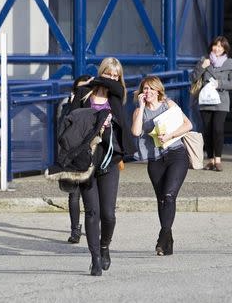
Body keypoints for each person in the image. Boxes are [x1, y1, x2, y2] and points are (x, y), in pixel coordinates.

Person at [70, 57, 136, 276]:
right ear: (102, 72)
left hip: (109, 159)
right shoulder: (83, 94)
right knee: (92, 212)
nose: (113, 78)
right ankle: (95, 258)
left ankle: (105, 246)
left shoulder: (117, 95)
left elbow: (115, 88)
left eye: (117, 75)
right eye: (109, 73)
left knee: (108, 214)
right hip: (86, 160)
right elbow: (69, 121)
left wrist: (108, 122)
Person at [131, 76, 192, 256]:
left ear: (158, 90)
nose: (147, 92)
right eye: (145, 89)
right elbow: (135, 132)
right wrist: (141, 108)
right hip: (155, 159)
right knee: (161, 201)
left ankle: (161, 238)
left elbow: (188, 124)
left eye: (151, 88)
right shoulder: (138, 111)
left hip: (176, 154)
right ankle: (168, 242)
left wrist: (171, 135)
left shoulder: (169, 104)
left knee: (169, 195)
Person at [192, 36, 232, 171]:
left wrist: (220, 84)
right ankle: (210, 160)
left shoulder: (230, 63)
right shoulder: (204, 60)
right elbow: (194, 78)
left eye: (220, 46)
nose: (217, 48)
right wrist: (202, 67)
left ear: (225, 49)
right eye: (215, 45)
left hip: (221, 100)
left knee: (217, 129)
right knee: (207, 130)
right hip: (205, 100)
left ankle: (218, 159)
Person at [57, 75, 92, 244]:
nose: (83, 92)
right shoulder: (67, 106)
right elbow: (61, 129)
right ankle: (75, 230)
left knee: (91, 195)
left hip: (90, 154)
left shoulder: (94, 106)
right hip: (72, 154)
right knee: (74, 194)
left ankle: (94, 225)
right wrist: (71, 105)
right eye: (80, 89)